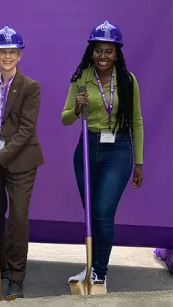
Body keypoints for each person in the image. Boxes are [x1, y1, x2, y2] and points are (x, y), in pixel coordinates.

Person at [61, 21, 144, 291]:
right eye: (99, 50)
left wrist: (138, 161)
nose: (103, 56)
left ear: (117, 53)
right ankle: (90, 265)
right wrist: (76, 107)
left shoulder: (128, 81)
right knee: (91, 214)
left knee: (104, 211)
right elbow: (64, 119)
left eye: (109, 51)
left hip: (118, 150)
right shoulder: (82, 78)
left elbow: (137, 122)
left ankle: (99, 272)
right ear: (91, 52)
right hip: (87, 147)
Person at [0, 26, 44, 298]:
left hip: (20, 160)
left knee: (18, 217)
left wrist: (0, 158)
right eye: (2, 52)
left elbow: (26, 130)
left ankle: (16, 274)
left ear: (20, 55)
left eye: (12, 52)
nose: (7, 56)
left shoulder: (31, 87)